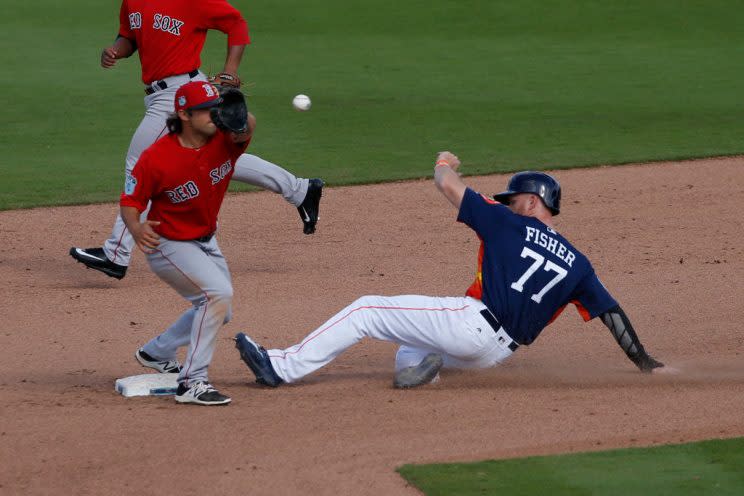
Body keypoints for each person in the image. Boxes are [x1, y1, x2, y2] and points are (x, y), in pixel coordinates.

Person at [234, 151, 664, 389]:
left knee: (366, 310)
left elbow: (446, 185)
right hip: (493, 357)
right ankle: (420, 374)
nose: (508, 201)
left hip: (472, 325)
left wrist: (445, 162)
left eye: (514, 197)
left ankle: (280, 367)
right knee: (413, 344)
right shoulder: (578, 263)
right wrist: (643, 361)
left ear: (533, 203)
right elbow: (613, 316)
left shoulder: (507, 220)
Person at [70, 0, 323, 280]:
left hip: (182, 92)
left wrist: (231, 69)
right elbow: (129, 36)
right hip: (161, 93)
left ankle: (116, 253)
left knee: (140, 161)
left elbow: (236, 24)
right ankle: (300, 189)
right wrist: (115, 51)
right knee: (213, 158)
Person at [121, 81, 256, 405]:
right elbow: (130, 201)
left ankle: (157, 352)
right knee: (216, 296)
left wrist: (236, 116)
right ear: (184, 114)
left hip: (207, 241)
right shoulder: (156, 158)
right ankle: (192, 383)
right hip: (169, 245)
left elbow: (248, 124)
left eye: (217, 108)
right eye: (207, 110)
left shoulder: (225, 140)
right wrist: (137, 229)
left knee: (219, 310)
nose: (215, 114)